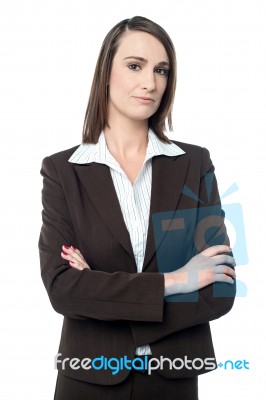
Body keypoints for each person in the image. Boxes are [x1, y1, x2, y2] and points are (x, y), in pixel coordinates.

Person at [38, 16, 236, 400]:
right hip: (88, 380)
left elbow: (220, 288)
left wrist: (100, 292)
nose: (151, 82)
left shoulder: (194, 165)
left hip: (173, 379)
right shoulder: (63, 171)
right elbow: (63, 289)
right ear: (106, 73)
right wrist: (176, 281)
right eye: (135, 66)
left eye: (161, 70)